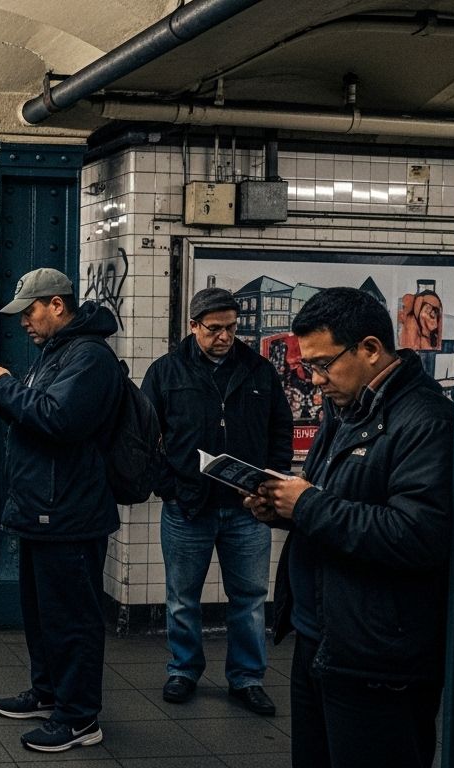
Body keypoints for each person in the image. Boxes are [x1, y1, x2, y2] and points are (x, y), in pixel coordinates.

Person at [245, 287, 453, 768]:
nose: (316, 380)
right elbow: (334, 502)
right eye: (309, 367)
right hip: (322, 637)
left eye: (323, 365)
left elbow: (417, 534)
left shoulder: (425, 421)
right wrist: (282, 509)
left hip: (377, 655)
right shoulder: (346, 411)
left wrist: (307, 505)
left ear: (371, 349)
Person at [0, 268, 121, 753]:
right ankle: (49, 692)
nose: (23, 323)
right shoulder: (56, 353)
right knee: (42, 615)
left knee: (72, 619)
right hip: (43, 507)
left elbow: (60, 420)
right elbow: (34, 413)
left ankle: (79, 717)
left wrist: (4, 387)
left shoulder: (90, 357)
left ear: (57, 304)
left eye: (29, 312)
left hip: (71, 512)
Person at [140, 287, 291, 715]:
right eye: (214, 329)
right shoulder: (166, 371)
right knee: (182, 597)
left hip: (247, 508)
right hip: (187, 507)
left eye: (231, 327)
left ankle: (247, 678)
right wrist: (168, 486)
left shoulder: (259, 370)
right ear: (193, 326)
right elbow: (144, 435)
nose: (224, 336)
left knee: (250, 598)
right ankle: (183, 670)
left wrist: (270, 480)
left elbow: (280, 429)